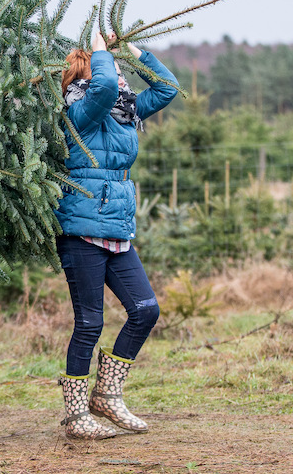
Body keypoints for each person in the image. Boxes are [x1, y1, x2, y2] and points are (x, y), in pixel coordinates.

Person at [54, 32, 178, 439]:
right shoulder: (79, 115)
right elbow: (105, 87)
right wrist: (103, 52)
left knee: (145, 309)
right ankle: (75, 414)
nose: (121, 76)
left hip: (117, 226)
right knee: (89, 323)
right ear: (89, 78)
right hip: (82, 229)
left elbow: (167, 88)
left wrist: (134, 52)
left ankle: (107, 393)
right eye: (113, 69)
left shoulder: (124, 112)